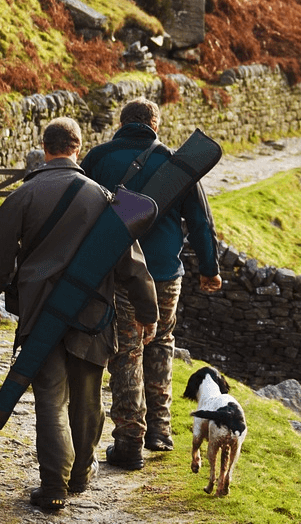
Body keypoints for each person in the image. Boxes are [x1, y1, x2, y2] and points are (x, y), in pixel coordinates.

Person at [0, 117, 159, 510]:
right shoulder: (105, 198)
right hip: (92, 316)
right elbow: (132, 264)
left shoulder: (23, 196)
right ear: (78, 147)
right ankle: (80, 475)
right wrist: (148, 311)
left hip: (40, 315)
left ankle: (54, 485)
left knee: (50, 400)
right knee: (88, 399)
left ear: (45, 148)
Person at [80, 96, 222, 470]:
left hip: (118, 271)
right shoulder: (176, 164)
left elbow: (79, 209)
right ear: (155, 124)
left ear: (122, 122)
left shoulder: (97, 158)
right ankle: (159, 431)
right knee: (160, 344)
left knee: (127, 350)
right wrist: (210, 269)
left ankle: (130, 440)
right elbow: (201, 223)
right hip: (164, 274)